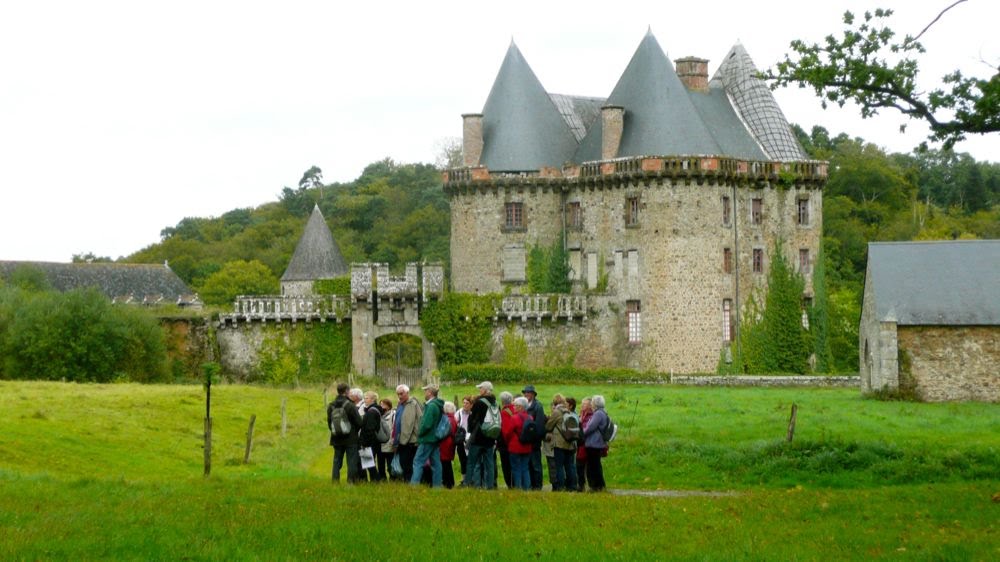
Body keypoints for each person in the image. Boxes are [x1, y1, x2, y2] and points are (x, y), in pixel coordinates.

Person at [328, 382, 363, 484]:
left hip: (336, 438)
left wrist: (336, 431)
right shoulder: (350, 405)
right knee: (351, 461)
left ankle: (335, 482)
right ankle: (350, 482)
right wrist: (354, 431)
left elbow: (330, 423)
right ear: (347, 391)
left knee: (336, 460)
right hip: (351, 438)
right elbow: (359, 422)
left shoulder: (331, 406)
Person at [410, 384, 445, 488]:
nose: (424, 393)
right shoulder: (437, 405)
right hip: (434, 439)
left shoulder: (431, 406)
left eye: (425, 391)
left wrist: (419, 433)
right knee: (436, 464)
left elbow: (426, 424)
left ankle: (414, 486)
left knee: (418, 462)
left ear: (430, 392)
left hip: (427, 439)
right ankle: (437, 486)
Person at [466, 380, 498, 489]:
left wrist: (470, 429)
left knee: (472, 462)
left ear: (484, 390)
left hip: (478, 437)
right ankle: (489, 486)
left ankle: (469, 484)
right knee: (489, 464)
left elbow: (473, 420)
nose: (479, 390)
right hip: (490, 437)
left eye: (480, 388)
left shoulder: (479, 403)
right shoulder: (495, 403)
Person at [545, 394, 577, 492]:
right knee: (569, 466)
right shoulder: (569, 411)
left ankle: (560, 486)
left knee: (559, 466)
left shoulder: (557, 412)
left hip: (559, 444)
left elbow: (548, 426)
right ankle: (572, 486)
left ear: (555, 402)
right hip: (570, 443)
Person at [502, 396, 533, 490]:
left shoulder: (514, 418)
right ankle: (527, 488)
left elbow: (507, 433)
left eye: (515, 405)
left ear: (520, 407)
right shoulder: (530, 417)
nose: (513, 407)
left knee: (516, 468)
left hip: (515, 447)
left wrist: (508, 442)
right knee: (525, 468)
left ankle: (518, 488)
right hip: (527, 446)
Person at [393, 384, 422, 483]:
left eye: (401, 394)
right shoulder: (402, 404)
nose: (400, 396)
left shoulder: (411, 404)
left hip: (410, 441)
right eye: (398, 394)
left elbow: (408, 425)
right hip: (406, 440)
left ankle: (410, 483)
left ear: (407, 393)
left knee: (407, 464)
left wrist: (402, 442)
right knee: (406, 463)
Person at [582, 394, 610, 492]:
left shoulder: (598, 414)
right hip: (598, 443)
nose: (591, 404)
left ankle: (595, 486)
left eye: (592, 402)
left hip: (594, 443)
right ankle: (600, 485)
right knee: (596, 465)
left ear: (595, 403)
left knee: (593, 466)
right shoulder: (603, 412)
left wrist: (582, 433)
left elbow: (590, 427)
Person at [522, 384, 547, 490]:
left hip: (534, 441)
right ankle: (530, 484)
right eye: (525, 392)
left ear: (533, 394)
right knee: (528, 465)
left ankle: (537, 486)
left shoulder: (538, 406)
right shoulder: (524, 405)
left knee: (536, 465)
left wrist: (536, 439)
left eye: (529, 392)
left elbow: (540, 425)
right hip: (526, 441)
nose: (527, 394)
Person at [358, 391, 384, 482]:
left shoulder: (372, 412)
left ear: (373, 399)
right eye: (364, 398)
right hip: (372, 441)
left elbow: (370, 429)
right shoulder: (372, 410)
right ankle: (374, 481)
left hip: (370, 442)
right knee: (368, 463)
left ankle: (376, 481)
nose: (365, 400)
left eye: (367, 398)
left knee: (369, 464)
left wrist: (364, 443)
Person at [542, 393, 564, 490]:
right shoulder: (567, 412)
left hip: (553, 444)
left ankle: (556, 486)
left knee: (553, 466)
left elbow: (548, 427)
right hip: (564, 444)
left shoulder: (556, 413)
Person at [496, 391, 515, 489]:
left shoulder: (504, 412)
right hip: (516, 443)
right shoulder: (516, 409)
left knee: (507, 466)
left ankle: (511, 485)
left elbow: (506, 431)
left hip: (507, 444)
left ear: (502, 401)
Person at [439, 401, 459, 489]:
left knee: (445, 463)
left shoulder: (447, 419)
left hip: (445, 443)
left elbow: (443, 432)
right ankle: (450, 482)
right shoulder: (453, 418)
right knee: (447, 463)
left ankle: (447, 483)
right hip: (450, 443)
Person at [377, 398, 396, 482]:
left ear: (389, 406)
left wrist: (393, 441)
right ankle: (382, 479)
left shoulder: (393, 414)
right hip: (380, 444)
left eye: (383, 404)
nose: (381, 406)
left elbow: (394, 428)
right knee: (380, 464)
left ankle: (393, 478)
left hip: (389, 443)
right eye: (380, 404)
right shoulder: (378, 415)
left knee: (390, 464)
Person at [455, 396, 473, 485]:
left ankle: (471, 479)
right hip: (461, 440)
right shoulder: (459, 413)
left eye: (467, 403)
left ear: (471, 405)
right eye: (464, 403)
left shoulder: (473, 413)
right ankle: (464, 479)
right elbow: (455, 424)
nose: (465, 405)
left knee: (470, 460)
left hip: (471, 440)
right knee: (462, 460)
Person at [576, 397, 592, 492]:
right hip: (580, 443)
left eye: (585, 404)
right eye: (582, 403)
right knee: (579, 465)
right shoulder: (581, 414)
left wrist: (580, 424)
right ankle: (581, 484)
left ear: (590, 406)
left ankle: (588, 485)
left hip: (587, 444)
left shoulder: (591, 416)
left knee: (585, 465)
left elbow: (586, 429)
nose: (582, 406)